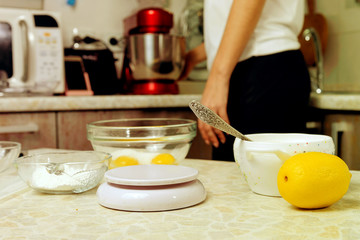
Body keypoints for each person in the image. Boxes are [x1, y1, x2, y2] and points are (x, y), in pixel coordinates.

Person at [180, 0, 311, 161]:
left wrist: (217, 78)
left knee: (263, 176)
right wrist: (196, 56)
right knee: (240, 177)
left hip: (263, 70)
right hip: (253, 68)